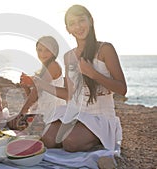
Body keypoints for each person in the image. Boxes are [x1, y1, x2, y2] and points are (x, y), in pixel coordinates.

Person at [33, 4, 127, 154]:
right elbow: (69, 95)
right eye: (72, 23)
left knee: (71, 142)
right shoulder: (68, 56)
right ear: (68, 29)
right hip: (76, 112)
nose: (78, 26)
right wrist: (42, 85)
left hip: (100, 117)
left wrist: (93, 74)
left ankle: (100, 139)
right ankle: (80, 133)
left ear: (90, 21)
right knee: (48, 139)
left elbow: (122, 89)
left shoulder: (105, 49)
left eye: (81, 20)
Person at [8, 36, 65, 130]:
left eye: (47, 50)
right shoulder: (43, 69)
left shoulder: (53, 65)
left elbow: (36, 91)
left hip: (52, 113)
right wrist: (25, 87)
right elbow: (35, 98)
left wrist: (22, 112)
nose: (43, 53)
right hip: (41, 111)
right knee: (11, 122)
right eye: (40, 50)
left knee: (13, 123)